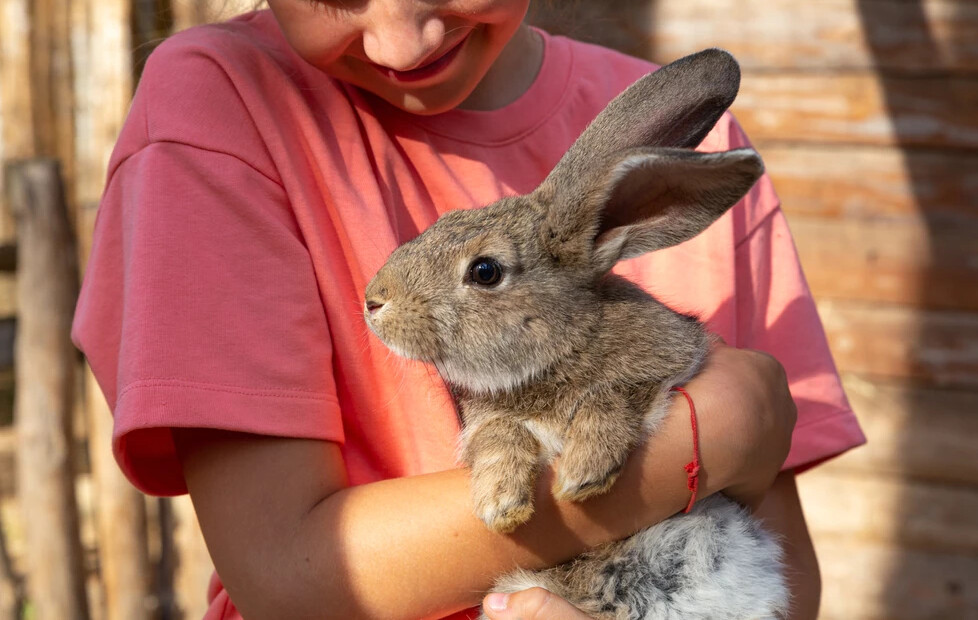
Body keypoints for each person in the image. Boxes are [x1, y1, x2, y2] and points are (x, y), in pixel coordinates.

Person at [71, 1, 866, 619]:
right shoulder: (222, 109)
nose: (401, 41)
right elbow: (289, 575)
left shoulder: (684, 157)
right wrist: (717, 433)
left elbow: (776, 577)